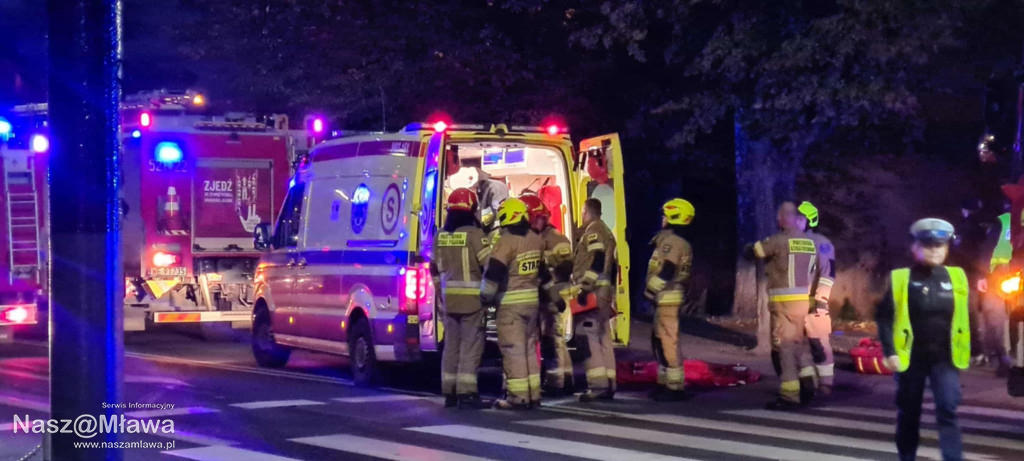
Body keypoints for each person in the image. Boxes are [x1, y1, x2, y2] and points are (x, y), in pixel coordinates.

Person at [875, 218, 973, 461]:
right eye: (928, 245)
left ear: (946, 248)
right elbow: (885, 318)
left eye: (939, 245)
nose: (934, 250)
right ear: (915, 248)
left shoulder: (956, 277)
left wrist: (979, 348)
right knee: (909, 412)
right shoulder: (901, 278)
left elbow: (968, 315)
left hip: (945, 358)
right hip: (912, 358)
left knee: (948, 408)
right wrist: (890, 352)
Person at [745, 202, 819, 410]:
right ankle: (808, 384)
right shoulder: (809, 242)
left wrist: (748, 248)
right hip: (803, 302)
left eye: (779, 215)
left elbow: (755, 252)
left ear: (785, 218)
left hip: (784, 304)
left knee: (784, 347)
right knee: (797, 345)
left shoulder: (779, 240)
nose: (778, 218)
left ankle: (790, 396)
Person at [481, 198, 546, 409]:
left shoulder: (505, 241)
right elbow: (543, 273)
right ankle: (533, 394)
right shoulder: (536, 239)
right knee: (529, 349)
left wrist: (484, 297)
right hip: (532, 304)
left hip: (510, 305)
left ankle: (517, 397)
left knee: (513, 350)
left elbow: (494, 273)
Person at [430, 189, 490, 409]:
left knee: (451, 346)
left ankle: (450, 392)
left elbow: (433, 268)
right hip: (472, 301)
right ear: (472, 210)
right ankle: (467, 392)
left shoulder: (440, 236)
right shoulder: (475, 235)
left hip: (448, 301)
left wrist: (440, 293)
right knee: (470, 347)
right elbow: (488, 265)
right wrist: (489, 294)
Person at [520, 194, 575, 395]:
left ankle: (555, 383)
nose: (535, 222)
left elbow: (567, 266)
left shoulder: (557, 239)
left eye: (537, 218)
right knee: (554, 339)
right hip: (543, 295)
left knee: (552, 340)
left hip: (555, 295)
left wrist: (549, 279)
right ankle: (566, 379)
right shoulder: (534, 238)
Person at [644, 198, 695, 401]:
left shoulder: (674, 243)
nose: (662, 219)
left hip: (667, 296)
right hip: (665, 297)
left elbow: (667, 270)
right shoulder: (673, 240)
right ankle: (665, 383)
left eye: (665, 215)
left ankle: (675, 387)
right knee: (660, 341)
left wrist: (649, 291)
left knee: (667, 341)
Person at [572, 198, 618, 402]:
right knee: (603, 338)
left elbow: (597, 258)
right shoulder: (606, 230)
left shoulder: (593, 231)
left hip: (593, 292)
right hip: (604, 291)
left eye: (582, 212)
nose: (581, 215)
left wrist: (584, 287)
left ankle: (598, 386)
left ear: (586, 211)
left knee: (588, 338)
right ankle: (609, 383)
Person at [797, 201, 837, 396]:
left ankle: (825, 383)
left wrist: (820, 300)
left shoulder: (821, 243)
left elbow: (827, 273)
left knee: (818, 344)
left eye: (799, 218)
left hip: (813, 303)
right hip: (792, 302)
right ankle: (807, 382)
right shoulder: (788, 241)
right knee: (791, 345)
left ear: (809, 220)